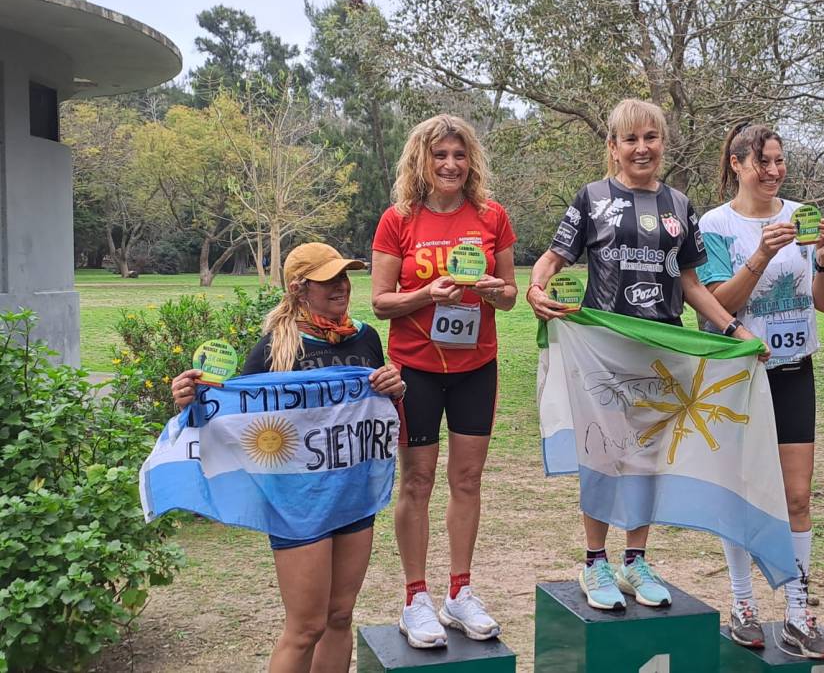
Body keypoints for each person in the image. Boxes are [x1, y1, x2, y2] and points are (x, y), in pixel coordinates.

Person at [526, 98, 762, 612]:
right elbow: (552, 256)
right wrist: (536, 288)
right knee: (604, 454)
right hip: (602, 351)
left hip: (661, 351)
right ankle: (594, 563)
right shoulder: (591, 198)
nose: (641, 148)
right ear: (612, 148)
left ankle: (635, 559)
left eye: (650, 137)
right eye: (629, 139)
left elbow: (692, 282)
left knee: (648, 459)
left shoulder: (680, 205)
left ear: (663, 143)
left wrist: (733, 329)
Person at [170, 242, 406, 673]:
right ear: (300, 290)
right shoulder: (273, 350)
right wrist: (191, 399)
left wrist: (394, 388)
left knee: (339, 617)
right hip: (298, 504)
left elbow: (380, 412)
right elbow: (233, 421)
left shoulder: (366, 338)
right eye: (328, 280)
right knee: (305, 627)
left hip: (354, 496)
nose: (342, 286)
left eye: (343, 276)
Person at [695, 122, 824, 657]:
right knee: (742, 490)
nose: (775, 172)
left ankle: (799, 615)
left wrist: (823, 258)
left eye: (780, 161)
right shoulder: (714, 224)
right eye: (764, 162)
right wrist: (759, 253)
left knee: (797, 495)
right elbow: (717, 303)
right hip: (735, 376)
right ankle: (743, 606)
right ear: (737, 164)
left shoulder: (801, 216)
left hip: (793, 369)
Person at [370, 114, 517, 648]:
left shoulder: (491, 216)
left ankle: (460, 591)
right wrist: (428, 295)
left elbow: (509, 294)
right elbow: (381, 302)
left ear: (470, 161)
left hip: (477, 366)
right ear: (421, 162)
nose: (450, 164)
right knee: (417, 481)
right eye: (440, 156)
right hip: (414, 370)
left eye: (458, 155)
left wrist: (489, 289)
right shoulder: (398, 220)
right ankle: (416, 598)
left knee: (468, 480)